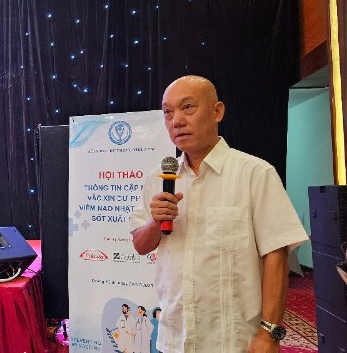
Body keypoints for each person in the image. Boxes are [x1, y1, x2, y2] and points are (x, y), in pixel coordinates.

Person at [130, 76, 309, 352]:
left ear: (217, 111)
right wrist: (156, 221)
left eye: (187, 107)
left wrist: (269, 333)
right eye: (168, 112)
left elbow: (276, 254)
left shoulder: (255, 173)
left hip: (234, 341)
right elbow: (141, 245)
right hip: (175, 338)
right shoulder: (159, 178)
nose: (177, 121)